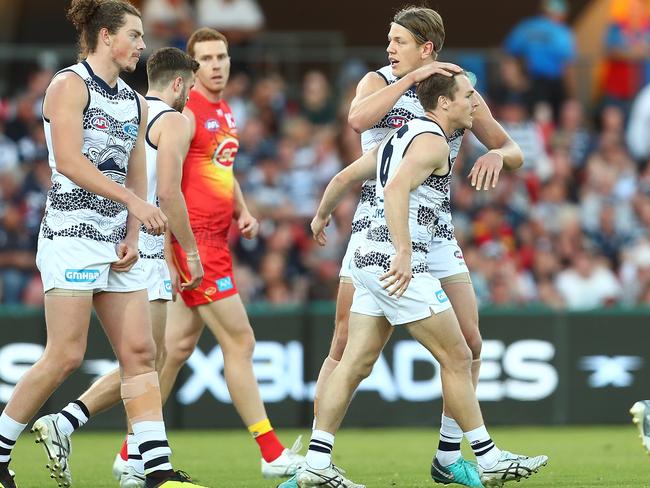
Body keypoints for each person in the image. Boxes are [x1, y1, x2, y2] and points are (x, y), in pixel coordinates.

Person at [282, 72, 548, 488]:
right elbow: (396, 190)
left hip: (366, 256)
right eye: (467, 97)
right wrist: (404, 253)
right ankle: (488, 455)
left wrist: (320, 215)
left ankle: (315, 463)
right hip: (397, 261)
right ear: (443, 103)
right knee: (458, 356)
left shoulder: (403, 133)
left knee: (354, 362)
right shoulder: (434, 141)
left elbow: (344, 177)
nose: (474, 104)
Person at [0, 2, 206, 488]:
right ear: (106, 36)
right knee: (66, 355)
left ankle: (156, 472)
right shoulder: (68, 85)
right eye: (134, 36)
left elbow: (137, 169)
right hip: (72, 234)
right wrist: (134, 205)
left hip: (118, 243)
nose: (141, 45)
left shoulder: (134, 102)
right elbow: (69, 161)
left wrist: (133, 232)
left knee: (139, 353)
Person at [154, 27, 303, 479]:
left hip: (215, 237)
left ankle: (130, 452)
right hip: (195, 240)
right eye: (207, 59)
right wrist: (174, 249)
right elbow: (167, 185)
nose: (217, 64)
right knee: (240, 341)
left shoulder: (224, 110)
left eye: (222, 56)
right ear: (191, 67)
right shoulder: (187, 113)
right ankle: (272, 452)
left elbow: (221, 168)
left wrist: (242, 209)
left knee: (175, 349)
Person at [503, 0, 576, 118]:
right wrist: (571, 96)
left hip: (530, 82)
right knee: (553, 121)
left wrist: (516, 81)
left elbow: (509, 53)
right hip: (554, 83)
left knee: (534, 119)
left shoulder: (526, 27)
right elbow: (566, 66)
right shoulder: (561, 31)